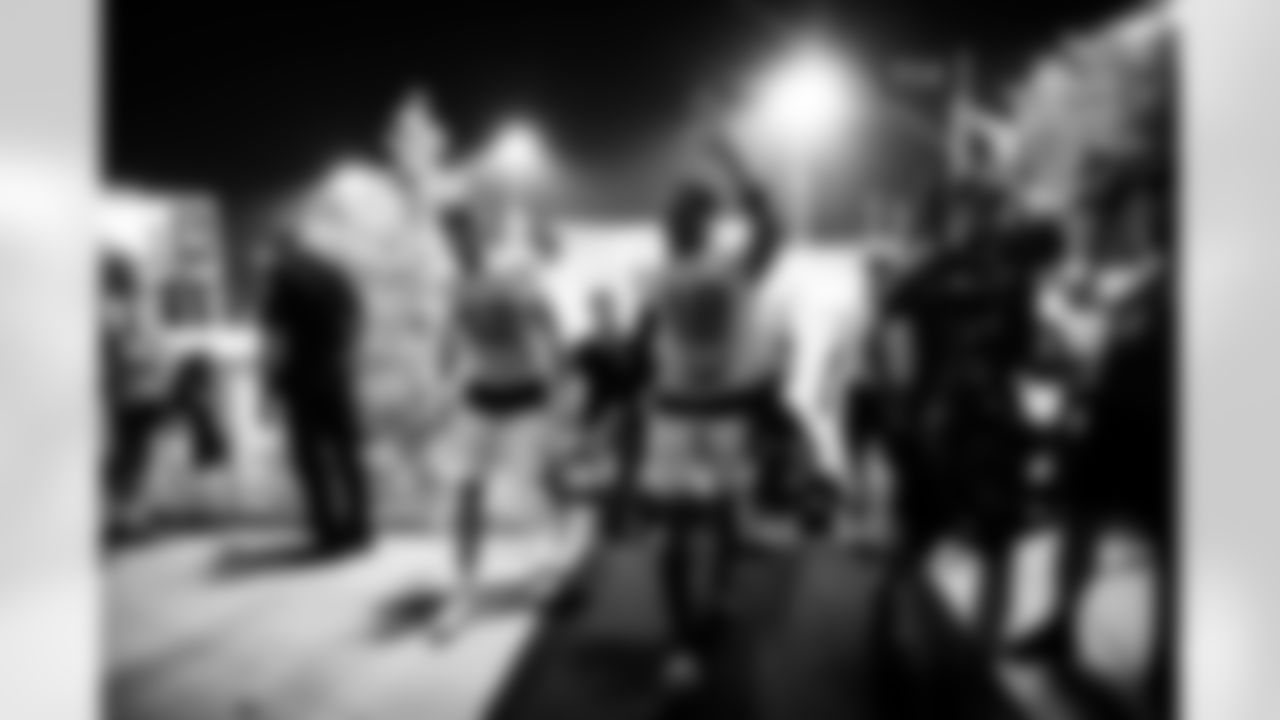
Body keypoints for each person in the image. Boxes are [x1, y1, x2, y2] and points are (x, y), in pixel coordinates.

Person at [614, 135, 815, 690]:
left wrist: (740, 167)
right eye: (671, 216)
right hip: (675, 417)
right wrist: (627, 377)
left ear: (703, 224)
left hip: (725, 416)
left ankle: (721, 593)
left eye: (685, 215)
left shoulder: (732, 268)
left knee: (724, 512)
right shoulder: (656, 276)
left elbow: (774, 228)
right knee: (674, 531)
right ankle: (682, 641)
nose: (672, 223)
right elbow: (641, 344)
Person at [429, 203, 574, 642]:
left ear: (480, 234)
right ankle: (463, 591)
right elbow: (451, 336)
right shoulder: (454, 283)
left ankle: (547, 570)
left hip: (526, 399)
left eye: (465, 233)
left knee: (531, 494)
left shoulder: (514, 274)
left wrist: (561, 388)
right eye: (451, 236)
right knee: (465, 491)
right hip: (480, 400)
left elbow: (551, 324)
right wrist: (442, 371)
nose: (458, 243)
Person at [261, 224, 370, 558]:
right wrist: (345, 357)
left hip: (301, 381)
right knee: (348, 455)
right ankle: (360, 529)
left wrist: (267, 389)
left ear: (282, 248)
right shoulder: (335, 272)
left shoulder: (282, 278)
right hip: (337, 377)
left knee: (311, 462)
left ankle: (328, 533)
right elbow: (357, 318)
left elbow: (275, 339)